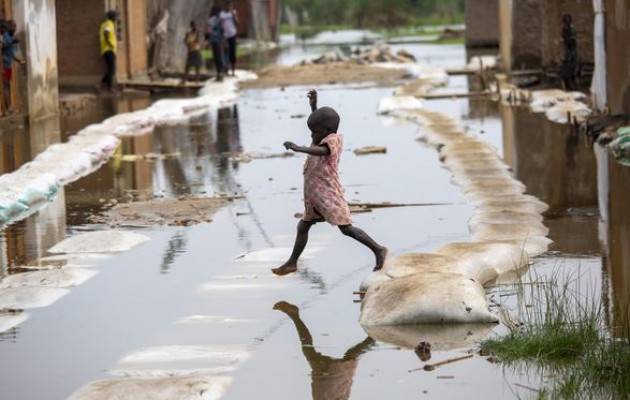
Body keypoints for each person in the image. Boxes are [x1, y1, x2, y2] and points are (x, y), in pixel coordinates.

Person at [272, 90, 388, 276]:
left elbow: (321, 151)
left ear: (327, 132)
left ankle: (378, 249)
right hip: (314, 194)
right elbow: (318, 128)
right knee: (303, 226)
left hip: (327, 193)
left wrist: (298, 147)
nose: (312, 135)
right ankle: (292, 263)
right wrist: (313, 106)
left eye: (315, 132)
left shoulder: (332, 141)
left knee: (346, 229)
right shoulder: (323, 134)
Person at [273, 301, 374, 400]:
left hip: (335, 386)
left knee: (347, 358)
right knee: (310, 352)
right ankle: (294, 315)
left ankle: (372, 340)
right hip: (328, 386)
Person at [2, 20, 24, 116]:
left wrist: (20, 60)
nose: (14, 28)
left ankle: (9, 108)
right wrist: (12, 42)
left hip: (8, 65)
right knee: (5, 85)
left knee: (7, 86)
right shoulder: (5, 36)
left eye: (15, 26)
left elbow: (14, 53)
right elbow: (3, 47)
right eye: (12, 26)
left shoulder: (12, 38)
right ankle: (8, 108)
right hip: (3, 65)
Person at [99, 10, 118, 92]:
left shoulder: (104, 24)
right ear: (112, 17)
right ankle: (109, 87)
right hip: (109, 49)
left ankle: (102, 83)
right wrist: (110, 44)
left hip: (106, 49)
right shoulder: (109, 24)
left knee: (111, 69)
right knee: (112, 69)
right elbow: (106, 33)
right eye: (115, 17)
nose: (116, 18)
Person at [560, 13, 579, 90]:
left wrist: (572, 39)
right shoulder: (565, 29)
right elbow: (566, 39)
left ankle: (572, 84)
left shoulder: (571, 28)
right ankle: (568, 84)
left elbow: (573, 39)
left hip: (572, 50)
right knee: (568, 68)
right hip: (569, 51)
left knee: (573, 68)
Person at [219, 0, 238, 76]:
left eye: (230, 5)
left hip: (232, 35)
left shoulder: (233, 13)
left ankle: (233, 71)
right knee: (225, 53)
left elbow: (237, 23)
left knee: (233, 53)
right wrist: (222, 35)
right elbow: (220, 25)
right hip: (225, 36)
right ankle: (226, 70)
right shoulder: (221, 14)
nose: (228, 7)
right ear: (225, 5)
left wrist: (234, 16)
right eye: (227, 5)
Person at [206, 5, 224, 81]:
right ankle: (220, 72)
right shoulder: (218, 20)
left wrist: (208, 40)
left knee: (217, 56)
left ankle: (220, 72)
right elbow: (222, 30)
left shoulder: (211, 20)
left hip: (215, 40)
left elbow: (209, 31)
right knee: (218, 56)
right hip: (217, 40)